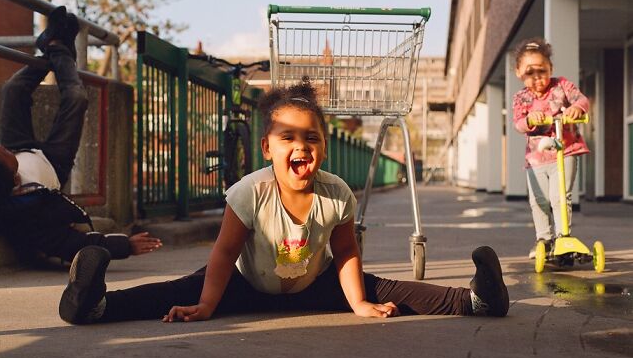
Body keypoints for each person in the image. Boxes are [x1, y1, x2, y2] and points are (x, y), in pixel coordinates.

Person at [59, 80, 509, 325]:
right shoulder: (249, 192)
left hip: (312, 285)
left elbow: (347, 252)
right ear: (267, 149)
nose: (301, 146)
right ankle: (94, 305)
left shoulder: (336, 194)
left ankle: (476, 301)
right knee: (177, 293)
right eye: (287, 137)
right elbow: (224, 253)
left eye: (311, 137)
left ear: (325, 147)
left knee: (387, 290)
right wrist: (209, 304)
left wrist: (356, 303)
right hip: (243, 286)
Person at [0, 5, 161, 263]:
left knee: (13, 89)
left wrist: (9, 151)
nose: (0, 147)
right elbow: (72, 243)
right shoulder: (29, 217)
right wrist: (124, 246)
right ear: (16, 182)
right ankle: (58, 46)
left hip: (20, 143)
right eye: (2, 154)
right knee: (76, 98)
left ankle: (54, 46)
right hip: (53, 162)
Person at [511, 38, 590, 259]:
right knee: (539, 200)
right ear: (519, 72)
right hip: (535, 159)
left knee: (559, 197)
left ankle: (563, 237)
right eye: (530, 72)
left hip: (565, 151)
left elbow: (581, 99)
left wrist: (576, 108)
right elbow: (518, 123)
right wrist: (530, 119)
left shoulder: (562, 85)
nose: (537, 77)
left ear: (551, 68)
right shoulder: (521, 98)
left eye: (542, 70)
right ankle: (543, 239)